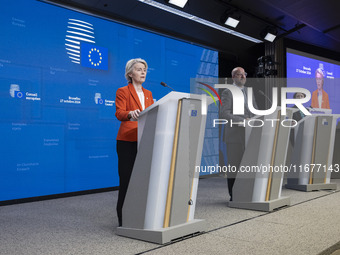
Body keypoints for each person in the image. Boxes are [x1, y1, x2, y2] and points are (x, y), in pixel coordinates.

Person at [115, 58, 154, 226]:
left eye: (144, 69)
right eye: (139, 69)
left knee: (143, 180)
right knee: (127, 180)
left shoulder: (148, 94)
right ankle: (123, 218)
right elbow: (119, 113)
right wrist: (131, 113)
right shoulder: (123, 91)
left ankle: (140, 215)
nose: (143, 72)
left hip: (144, 140)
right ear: (130, 74)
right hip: (127, 141)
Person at [220, 67, 258, 201]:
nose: (242, 76)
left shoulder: (249, 92)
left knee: (247, 165)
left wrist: (257, 119)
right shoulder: (228, 92)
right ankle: (234, 195)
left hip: (249, 134)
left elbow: (254, 111)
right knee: (234, 166)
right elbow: (224, 113)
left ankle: (245, 192)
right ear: (233, 77)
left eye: (244, 74)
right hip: (235, 136)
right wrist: (243, 121)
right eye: (239, 74)